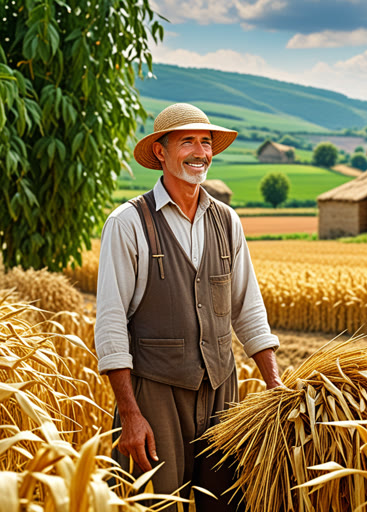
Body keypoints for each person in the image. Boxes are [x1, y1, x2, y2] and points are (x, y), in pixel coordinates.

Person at [94, 103, 282, 511]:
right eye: (187, 142)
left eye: (206, 142)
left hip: (221, 392)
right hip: (155, 395)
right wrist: (130, 414)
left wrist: (275, 388)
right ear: (160, 152)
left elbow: (247, 308)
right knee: (149, 504)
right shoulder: (127, 223)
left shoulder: (228, 221)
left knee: (226, 503)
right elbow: (110, 325)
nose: (200, 152)